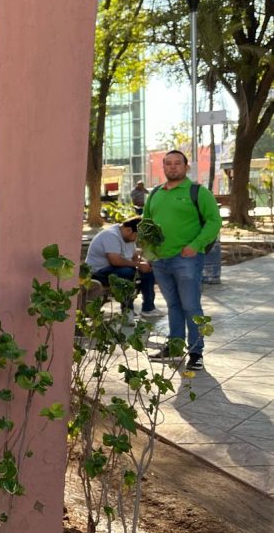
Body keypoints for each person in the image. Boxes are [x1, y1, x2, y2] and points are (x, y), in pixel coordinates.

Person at [143, 150, 220, 370]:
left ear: (186, 167)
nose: (172, 167)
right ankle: (175, 348)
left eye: (177, 163)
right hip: (160, 261)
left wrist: (196, 245)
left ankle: (196, 352)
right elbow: (146, 225)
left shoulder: (198, 192)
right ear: (163, 167)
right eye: (168, 163)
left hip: (187, 259)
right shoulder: (155, 193)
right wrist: (148, 254)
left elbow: (214, 221)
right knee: (173, 305)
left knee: (191, 306)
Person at [83, 217, 161, 320]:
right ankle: (127, 310)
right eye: (137, 236)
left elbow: (134, 256)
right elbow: (115, 261)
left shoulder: (128, 237)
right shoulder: (111, 235)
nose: (137, 239)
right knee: (128, 272)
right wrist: (138, 265)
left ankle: (148, 308)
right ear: (129, 230)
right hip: (99, 272)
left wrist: (144, 263)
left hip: (118, 270)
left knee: (148, 271)